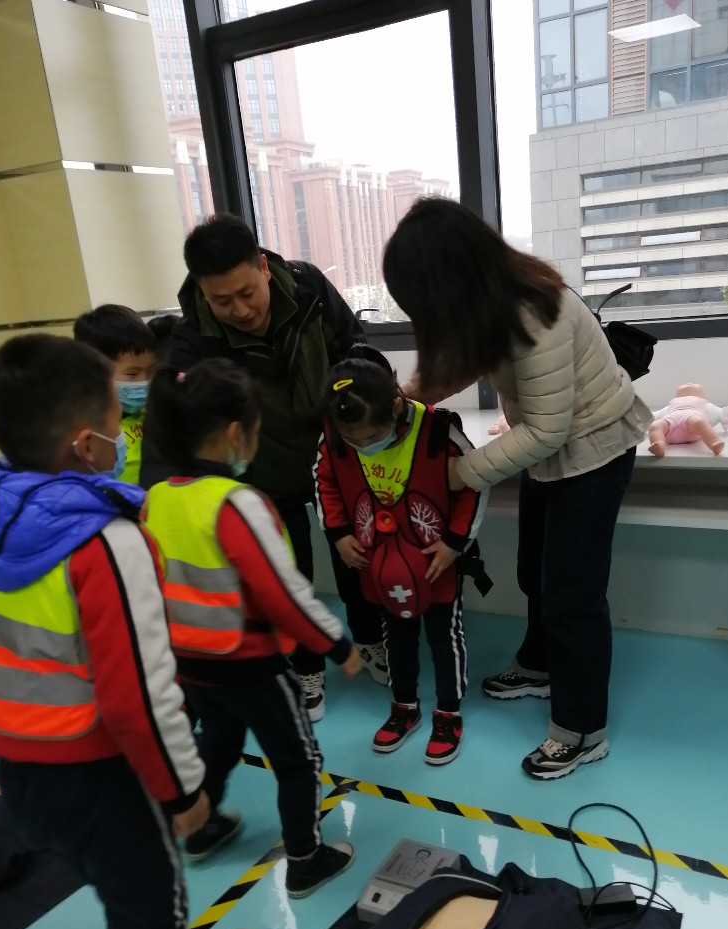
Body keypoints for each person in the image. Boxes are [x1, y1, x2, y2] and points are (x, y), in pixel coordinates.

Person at [0, 336, 257, 929]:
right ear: (85, 444)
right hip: (100, 772)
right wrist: (185, 789)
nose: (124, 433)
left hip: (16, 770)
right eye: (114, 418)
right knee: (145, 913)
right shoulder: (107, 542)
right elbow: (139, 691)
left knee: (132, 891)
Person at [382, 198, 652, 781]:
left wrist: (460, 474)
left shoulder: (535, 315)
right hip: (552, 448)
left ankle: (582, 729)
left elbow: (548, 430)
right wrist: (409, 398)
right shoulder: (489, 304)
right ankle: (540, 664)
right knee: (535, 569)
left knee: (573, 595)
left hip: (593, 449)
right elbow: (466, 363)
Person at [142, 357, 359, 888]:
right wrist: (335, 643)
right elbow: (282, 591)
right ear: (237, 433)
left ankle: (202, 827)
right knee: (298, 760)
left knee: (218, 741)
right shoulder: (237, 503)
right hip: (252, 665)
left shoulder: (156, 499)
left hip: (191, 664)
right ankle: (306, 860)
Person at [164, 213, 386, 720]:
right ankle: (306, 668)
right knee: (288, 571)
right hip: (262, 471)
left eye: (247, 292)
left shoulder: (309, 288)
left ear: (263, 267)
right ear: (202, 293)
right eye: (222, 301)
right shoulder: (193, 339)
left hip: (334, 457)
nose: (240, 310)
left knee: (355, 556)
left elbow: (355, 345)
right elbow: (179, 417)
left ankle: (370, 639)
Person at [315, 346, 487, 766]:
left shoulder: (439, 430)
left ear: (395, 406)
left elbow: (474, 484)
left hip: (436, 560)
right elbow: (325, 482)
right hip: (380, 565)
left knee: (444, 638)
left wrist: (454, 543)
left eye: (371, 437)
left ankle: (448, 713)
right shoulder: (336, 433)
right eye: (354, 441)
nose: (363, 446)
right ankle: (405, 706)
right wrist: (338, 534)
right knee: (397, 638)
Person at [73, 304, 156, 486]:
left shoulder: (152, 414)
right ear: (96, 372)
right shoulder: (87, 427)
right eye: (132, 374)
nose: (144, 382)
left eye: (150, 372)